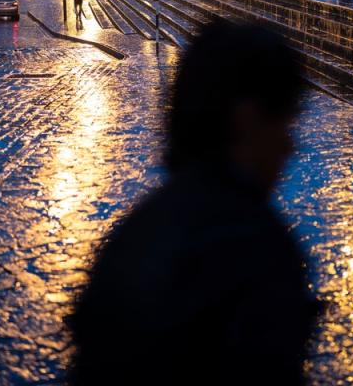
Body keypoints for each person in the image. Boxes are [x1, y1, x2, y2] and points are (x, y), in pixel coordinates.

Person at [69, 21, 319, 385]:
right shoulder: (257, 249)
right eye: (283, 123)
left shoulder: (133, 234)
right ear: (247, 119)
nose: (289, 146)